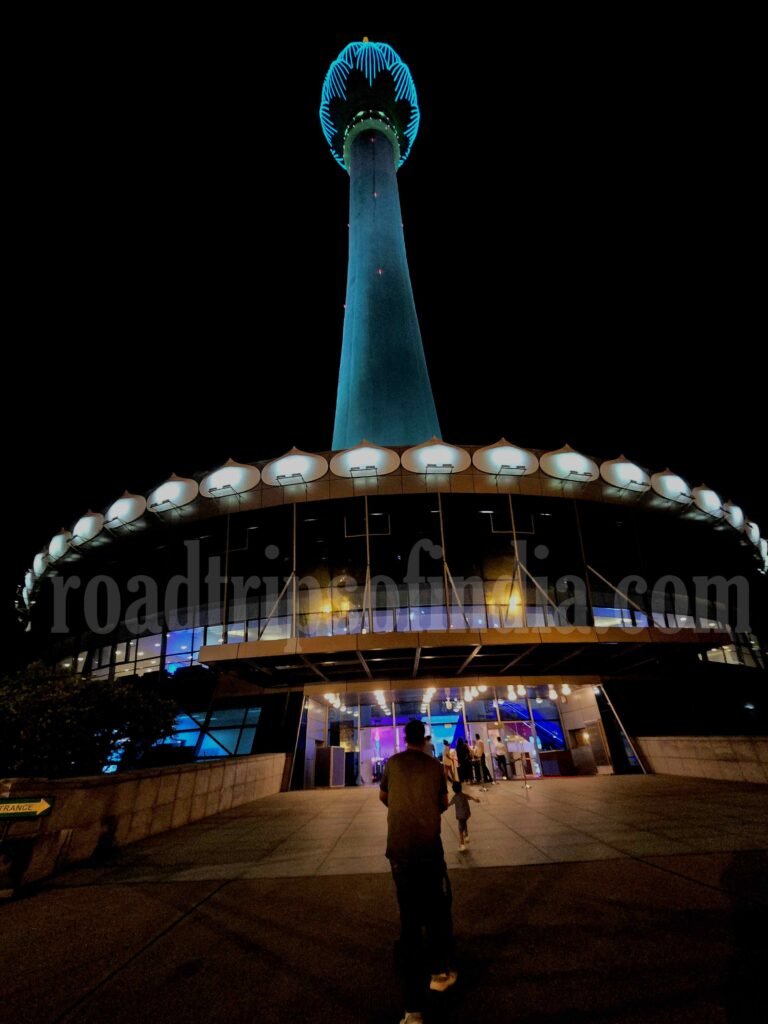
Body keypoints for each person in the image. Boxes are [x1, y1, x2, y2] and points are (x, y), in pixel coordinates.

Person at [380, 719, 458, 1023]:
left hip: (399, 850)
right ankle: (439, 973)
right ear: (424, 739)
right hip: (428, 848)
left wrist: (404, 809)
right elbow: (442, 802)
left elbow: (383, 797)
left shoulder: (393, 763)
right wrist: (426, 809)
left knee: (409, 919)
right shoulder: (435, 766)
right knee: (437, 910)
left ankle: (413, 1011)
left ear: (404, 738)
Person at [449, 780, 479, 851]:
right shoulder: (464, 795)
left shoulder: (455, 797)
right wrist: (476, 800)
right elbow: (470, 797)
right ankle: (467, 836)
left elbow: (449, 804)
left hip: (460, 815)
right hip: (466, 814)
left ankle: (462, 844)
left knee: (460, 829)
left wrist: (443, 806)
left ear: (453, 790)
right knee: (464, 823)